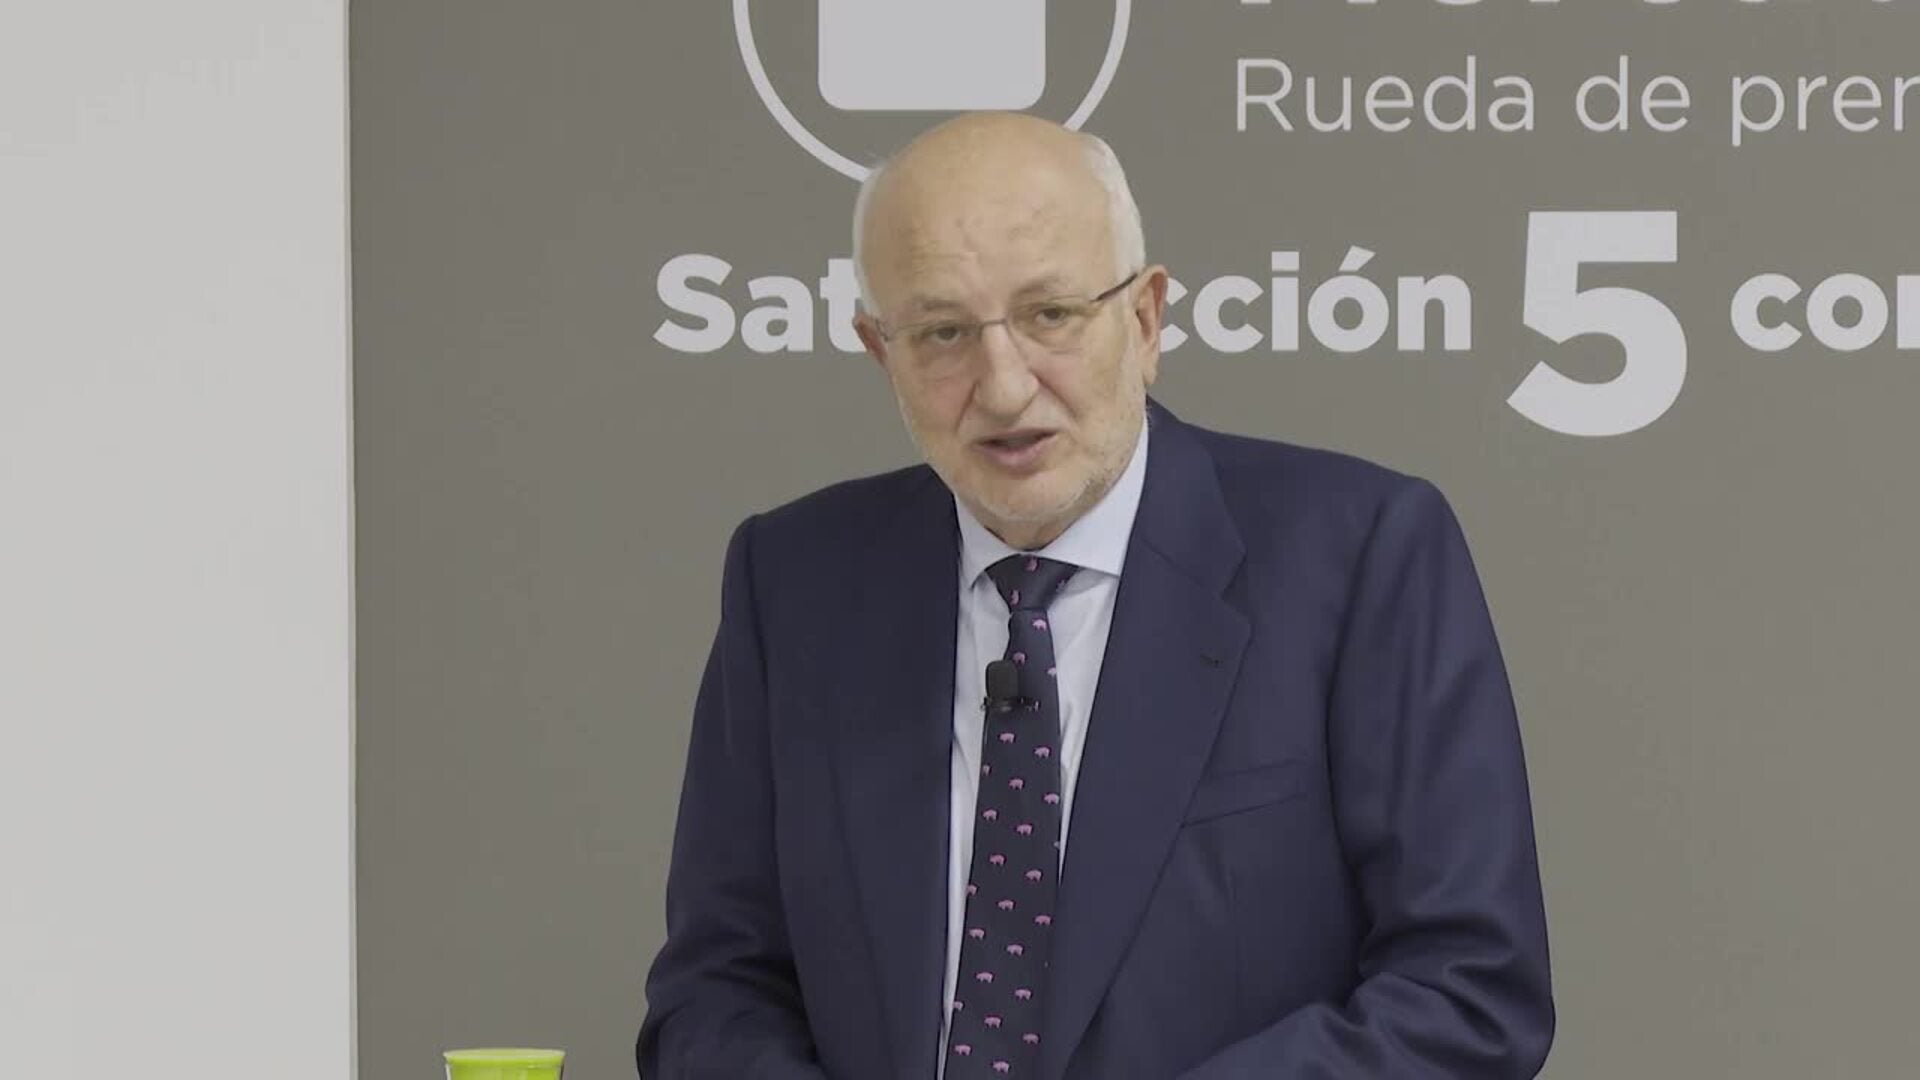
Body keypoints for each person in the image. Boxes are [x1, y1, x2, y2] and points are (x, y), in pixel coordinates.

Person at [637, 112, 1553, 1079]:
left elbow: (1468, 991)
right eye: (943, 333)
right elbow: (716, 993)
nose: (1003, 387)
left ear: (1146, 320)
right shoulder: (794, 584)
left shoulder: (1361, 555)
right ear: (880, 351)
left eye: (1050, 316)